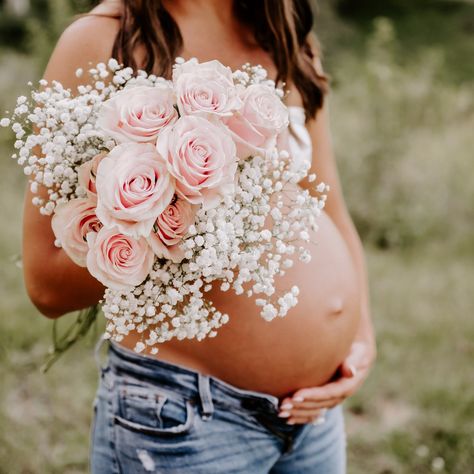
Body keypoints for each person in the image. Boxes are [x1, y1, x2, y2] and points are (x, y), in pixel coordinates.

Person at [22, 0, 376, 472]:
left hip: (315, 419)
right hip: (184, 420)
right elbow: (46, 284)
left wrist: (360, 334)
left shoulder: (286, 37)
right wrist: (161, 214)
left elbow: (327, 201)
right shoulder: (100, 41)